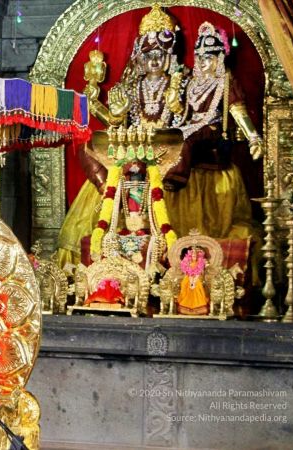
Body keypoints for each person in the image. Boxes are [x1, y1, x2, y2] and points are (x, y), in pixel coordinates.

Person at [57, 4, 185, 267]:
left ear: (169, 57)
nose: (154, 61)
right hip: (131, 146)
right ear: (139, 58)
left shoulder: (179, 83)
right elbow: (117, 122)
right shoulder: (131, 86)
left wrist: (176, 105)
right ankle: (107, 191)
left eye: (160, 55)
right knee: (88, 144)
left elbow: (186, 122)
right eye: (148, 55)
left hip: (164, 147)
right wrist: (112, 111)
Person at [163, 21, 262, 282]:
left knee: (188, 139)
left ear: (219, 58)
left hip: (214, 131)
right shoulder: (190, 83)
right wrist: (174, 103)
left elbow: (237, 110)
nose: (203, 62)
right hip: (190, 129)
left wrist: (253, 137)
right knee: (173, 137)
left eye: (209, 57)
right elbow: (182, 114)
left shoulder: (226, 82)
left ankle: (175, 177)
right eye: (199, 57)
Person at [176, 247, 209, 315]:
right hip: (188, 277)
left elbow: (200, 272)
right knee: (184, 283)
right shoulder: (187, 262)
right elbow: (186, 272)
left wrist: (195, 280)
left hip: (197, 277)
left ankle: (198, 306)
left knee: (198, 285)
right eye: (193, 255)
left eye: (196, 256)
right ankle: (185, 306)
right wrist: (191, 279)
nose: (194, 257)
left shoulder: (201, 262)